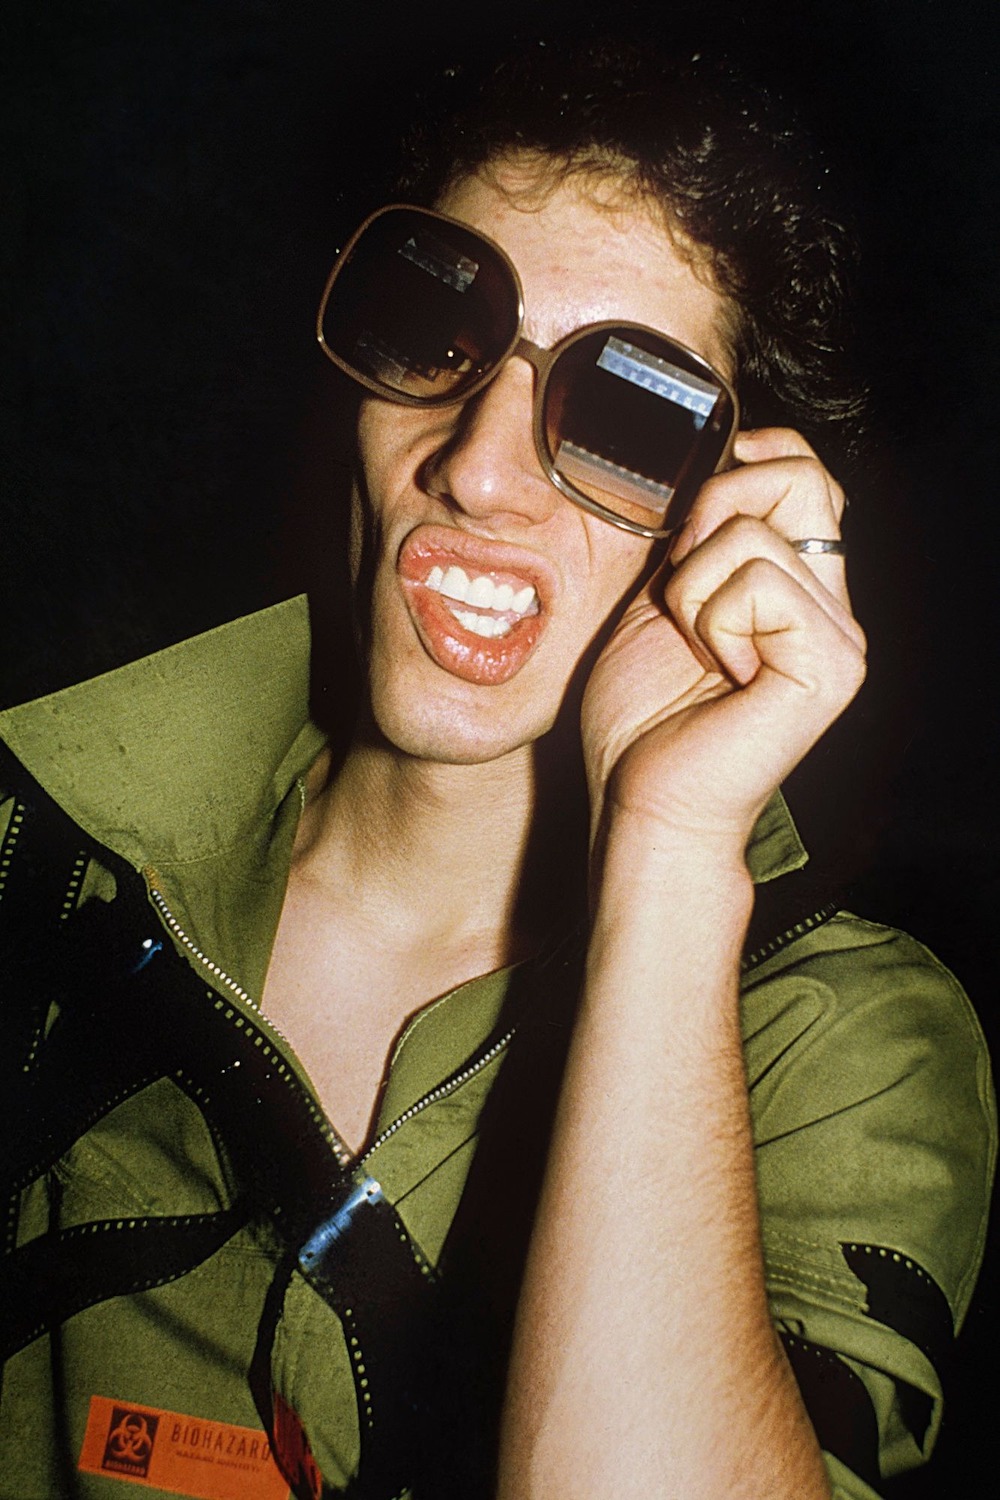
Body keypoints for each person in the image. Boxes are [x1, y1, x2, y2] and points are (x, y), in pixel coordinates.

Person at [0, 35, 993, 1500]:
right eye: (437, 333)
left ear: (736, 518)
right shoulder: (35, 866)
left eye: (629, 414)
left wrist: (665, 848)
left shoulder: (837, 1043)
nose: (476, 466)